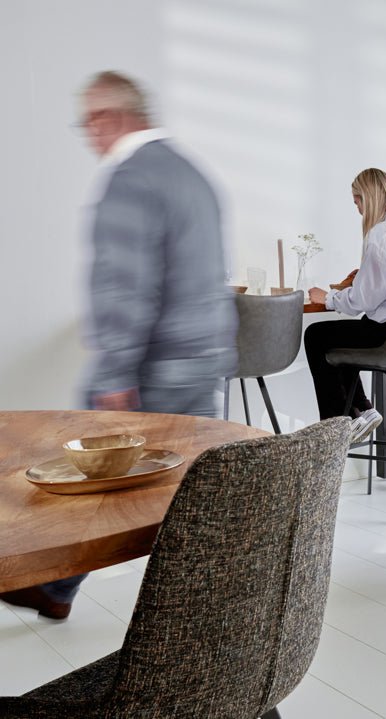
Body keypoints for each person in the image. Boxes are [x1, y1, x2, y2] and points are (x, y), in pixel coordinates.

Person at [0, 71, 236, 620]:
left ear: (110, 118)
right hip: (203, 356)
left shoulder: (130, 178)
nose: (88, 133)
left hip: (153, 363)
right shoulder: (194, 173)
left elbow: (123, 285)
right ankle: (207, 612)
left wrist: (113, 372)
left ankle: (53, 587)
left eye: (89, 120)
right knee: (194, 489)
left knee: (89, 476)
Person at [306, 168, 386, 442]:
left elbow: (363, 301)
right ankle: (362, 410)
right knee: (344, 337)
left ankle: (336, 429)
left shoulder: (382, 234)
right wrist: (362, 277)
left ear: (368, 198)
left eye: (358, 202)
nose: (358, 210)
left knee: (316, 335)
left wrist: (328, 298)